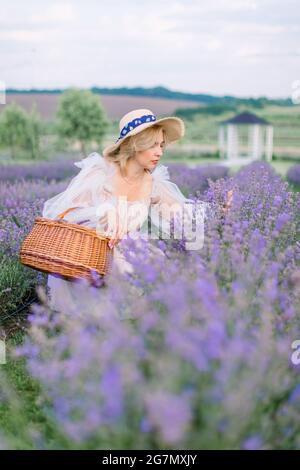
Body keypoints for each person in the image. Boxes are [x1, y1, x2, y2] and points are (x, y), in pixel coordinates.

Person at [42, 108, 233, 316]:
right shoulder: (100, 173)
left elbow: (181, 213)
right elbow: (68, 213)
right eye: (152, 145)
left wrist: (218, 208)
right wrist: (104, 215)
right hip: (88, 254)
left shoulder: (152, 183)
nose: (159, 152)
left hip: (127, 255)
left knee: (148, 265)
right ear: (134, 145)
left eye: (161, 145)